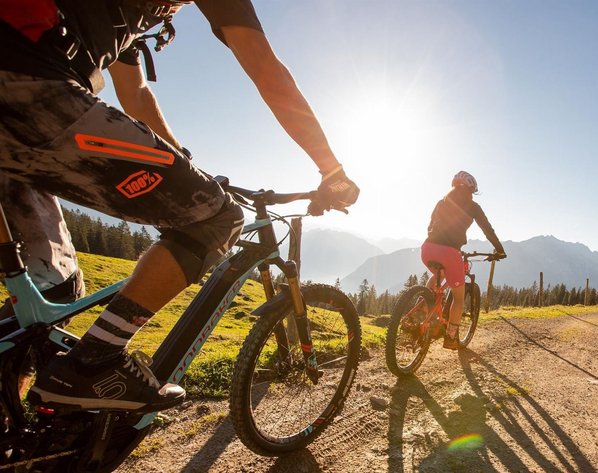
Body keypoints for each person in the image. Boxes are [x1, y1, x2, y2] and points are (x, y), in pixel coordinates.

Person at [0, 0, 359, 412]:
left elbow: (135, 92)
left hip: (23, 91)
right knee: (217, 218)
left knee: (53, 288)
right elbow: (265, 69)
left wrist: (185, 165)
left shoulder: (113, 16)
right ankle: (91, 365)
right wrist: (332, 170)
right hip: (28, 81)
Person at [421, 171, 505, 350]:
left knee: (439, 274)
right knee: (458, 298)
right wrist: (500, 250)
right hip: (450, 252)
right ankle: (451, 338)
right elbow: (488, 230)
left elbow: (430, 225)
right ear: (471, 189)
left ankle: (421, 311)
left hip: (427, 248)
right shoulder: (473, 207)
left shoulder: (441, 201)